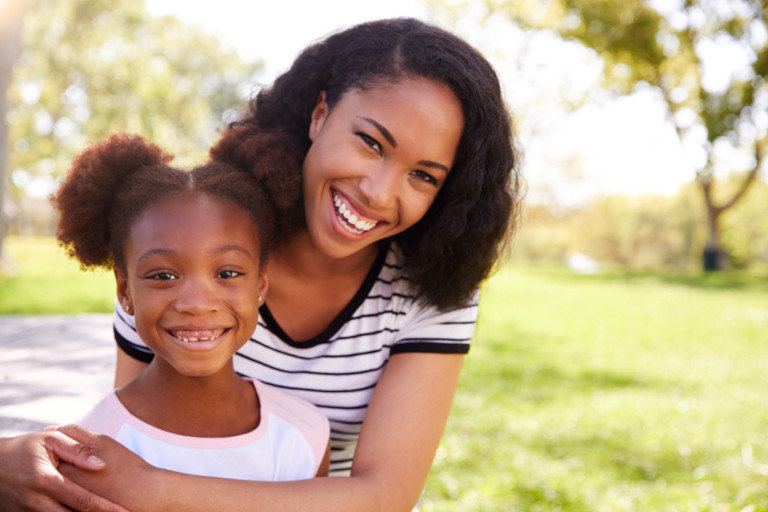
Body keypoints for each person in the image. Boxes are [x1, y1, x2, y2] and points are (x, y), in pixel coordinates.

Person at [0, 17, 521, 511]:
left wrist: (152, 491)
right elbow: (139, 423)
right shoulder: (192, 248)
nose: (379, 194)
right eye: (370, 142)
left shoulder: (431, 291)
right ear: (320, 115)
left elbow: (383, 496)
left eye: (424, 176)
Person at [50, 131, 330, 481]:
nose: (198, 304)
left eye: (227, 272)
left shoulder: (304, 434)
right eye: (164, 275)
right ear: (125, 292)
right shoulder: (90, 447)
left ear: (260, 284)